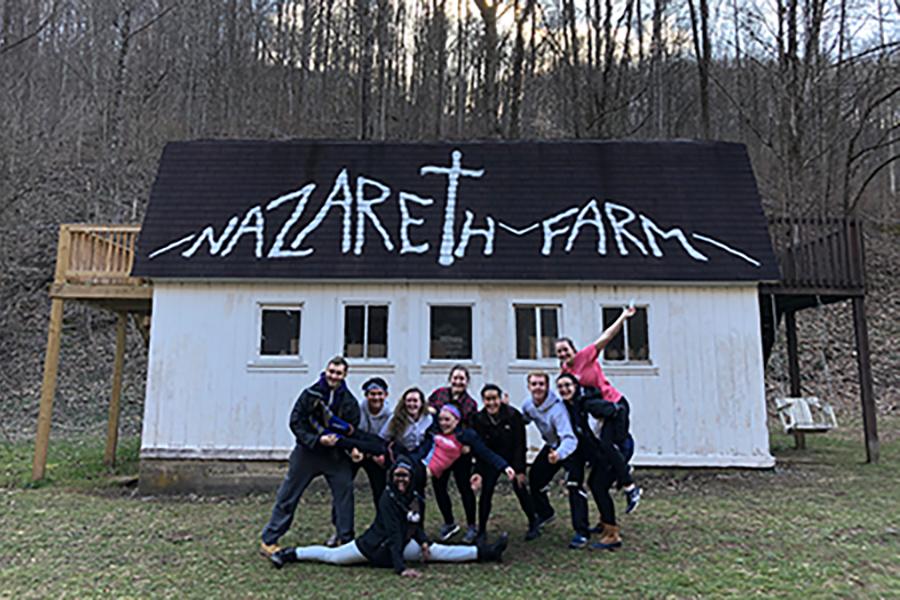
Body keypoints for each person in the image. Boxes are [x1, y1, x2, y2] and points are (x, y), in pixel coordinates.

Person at [269, 457, 509, 576]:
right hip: (373, 547)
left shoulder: (416, 496)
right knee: (333, 557)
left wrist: (423, 541)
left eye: (406, 476)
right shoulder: (388, 498)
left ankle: (487, 552)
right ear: (392, 478)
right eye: (398, 476)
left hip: (402, 544)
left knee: (436, 551)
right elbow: (394, 533)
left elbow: (416, 523)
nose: (402, 481)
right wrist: (401, 569)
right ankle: (289, 553)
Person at [260, 356, 360, 557]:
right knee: (289, 494)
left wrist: (352, 447)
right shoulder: (309, 394)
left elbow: (353, 429)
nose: (334, 376)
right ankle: (269, 540)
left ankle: (345, 540)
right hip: (307, 453)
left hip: (335, 456)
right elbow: (296, 422)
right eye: (331, 371)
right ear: (326, 371)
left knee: (344, 494)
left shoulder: (349, 401)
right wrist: (316, 439)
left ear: (344, 375)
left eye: (338, 373)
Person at [556, 306, 642, 512]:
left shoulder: (585, 356)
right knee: (604, 449)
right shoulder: (565, 370)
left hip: (615, 405)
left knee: (608, 444)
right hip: (599, 411)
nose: (562, 353)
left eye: (565, 349)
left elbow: (607, 335)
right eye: (558, 351)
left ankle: (630, 486)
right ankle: (622, 473)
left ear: (573, 350)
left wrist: (623, 316)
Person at [325, 377, 393, 546]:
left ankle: (383, 530)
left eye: (379, 394)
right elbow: (352, 434)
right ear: (366, 395)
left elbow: (382, 442)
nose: (376, 398)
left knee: (381, 493)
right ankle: (340, 531)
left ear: (386, 395)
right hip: (355, 452)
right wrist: (354, 449)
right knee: (343, 487)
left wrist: (370, 452)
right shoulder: (358, 410)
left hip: (375, 457)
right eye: (372, 394)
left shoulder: (390, 415)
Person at [519, 371, 582, 546]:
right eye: (534, 384)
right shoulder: (528, 405)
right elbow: (523, 419)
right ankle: (545, 513)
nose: (538, 387)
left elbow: (570, 438)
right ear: (529, 387)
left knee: (574, 486)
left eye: (541, 384)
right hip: (552, 446)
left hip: (569, 449)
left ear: (547, 387)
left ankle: (581, 532)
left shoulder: (557, 409)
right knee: (535, 479)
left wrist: (559, 454)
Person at [470, 384, 535, 542]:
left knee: (520, 488)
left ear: (501, 399)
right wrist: (477, 471)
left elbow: (521, 443)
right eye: (487, 399)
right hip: (490, 460)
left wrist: (519, 469)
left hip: (511, 458)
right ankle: (482, 530)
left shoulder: (513, 415)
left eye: (494, 398)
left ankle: (533, 522)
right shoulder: (478, 419)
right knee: (486, 493)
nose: (491, 403)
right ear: (483, 400)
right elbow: (479, 448)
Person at [427, 365, 480, 543]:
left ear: (467, 381)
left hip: (460, 452)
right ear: (450, 379)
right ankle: (449, 522)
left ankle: (472, 525)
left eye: (462, 379)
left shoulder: (470, 404)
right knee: (439, 486)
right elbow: (428, 414)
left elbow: (473, 428)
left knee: (464, 488)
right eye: (455, 378)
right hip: (441, 449)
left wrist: (468, 446)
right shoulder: (439, 394)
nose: (458, 382)